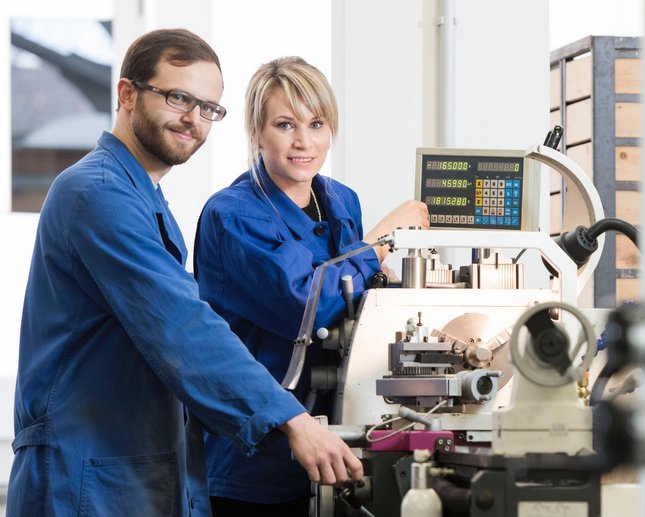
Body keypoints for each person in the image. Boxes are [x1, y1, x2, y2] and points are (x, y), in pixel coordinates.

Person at [8, 30, 362, 517]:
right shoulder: (97, 193)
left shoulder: (143, 198)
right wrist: (292, 419)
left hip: (139, 466)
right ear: (127, 94)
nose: (193, 119)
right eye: (178, 98)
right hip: (85, 474)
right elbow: (180, 326)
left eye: (208, 107)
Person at [193, 56, 428, 514]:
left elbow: (353, 302)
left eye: (317, 124)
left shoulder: (341, 199)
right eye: (285, 124)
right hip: (256, 457)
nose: (304, 142)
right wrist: (378, 243)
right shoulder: (233, 214)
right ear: (257, 132)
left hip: (336, 441)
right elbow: (306, 306)